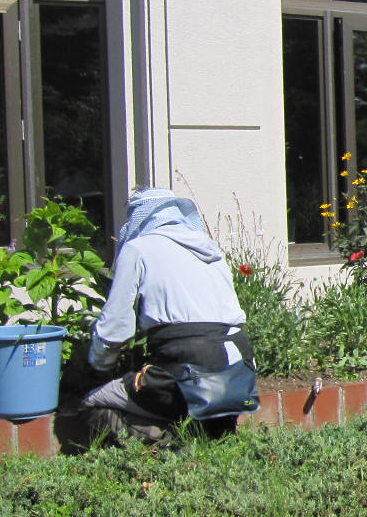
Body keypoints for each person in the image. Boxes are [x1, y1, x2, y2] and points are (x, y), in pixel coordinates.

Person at [81, 188, 254, 443]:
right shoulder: (210, 250)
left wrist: (99, 365)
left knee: (93, 401)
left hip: (188, 364)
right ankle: (208, 433)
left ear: (139, 218)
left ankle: (164, 446)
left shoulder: (138, 249)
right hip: (241, 369)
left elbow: (115, 329)